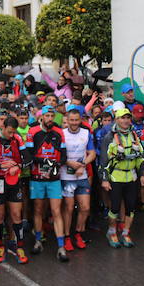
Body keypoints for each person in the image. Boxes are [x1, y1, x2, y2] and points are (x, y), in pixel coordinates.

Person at [23, 106, 70, 262]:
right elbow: (28, 155)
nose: (50, 118)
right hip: (37, 177)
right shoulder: (33, 131)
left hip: (53, 178)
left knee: (56, 211)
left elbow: (64, 155)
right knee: (38, 209)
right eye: (47, 115)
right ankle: (38, 241)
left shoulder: (59, 132)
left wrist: (56, 164)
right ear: (41, 117)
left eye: (52, 115)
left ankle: (61, 247)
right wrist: (44, 161)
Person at [0, 117, 30, 264]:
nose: (11, 135)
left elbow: (28, 157)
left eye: (13, 132)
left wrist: (19, 166)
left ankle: (19, 246)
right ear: (3, 127)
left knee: (16, 214)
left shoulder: (17, 138)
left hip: (14, 181)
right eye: (9, 132)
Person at [101, 108, 144, 248]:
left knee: (131, 207)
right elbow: (104, 160)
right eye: (122, 118)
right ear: (117, 119)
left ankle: (126, 233)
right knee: (114, 208)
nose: (125, 120)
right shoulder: (109, 137)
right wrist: (104, 179)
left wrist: (142, 174)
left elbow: (140, 157)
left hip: (131, 177)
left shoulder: (134, 135)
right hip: (116, 177)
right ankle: (112, 231)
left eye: (128, 117)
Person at [60, 108, 96, 252]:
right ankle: (67, 236)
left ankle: (78, 233)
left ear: (80, 120)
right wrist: (69, 163)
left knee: (85, 207)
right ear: (67, 120)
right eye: (71, 120)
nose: (74, 123)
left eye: (76, 120)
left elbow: (92, 153)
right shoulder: (62, 134)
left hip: (81, 175)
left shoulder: (86, 133)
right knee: (68, 208)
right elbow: (59, 156)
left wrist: (83, 165)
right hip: (67, 176)